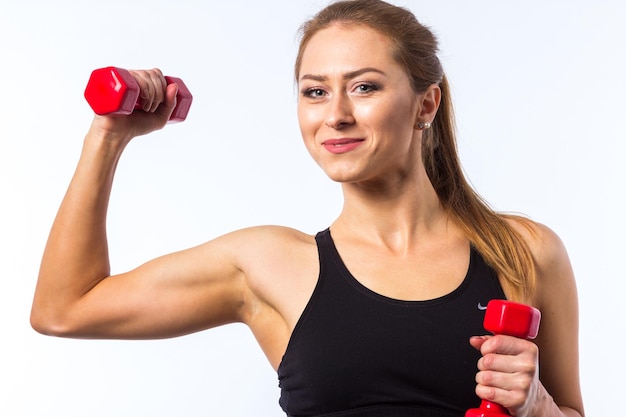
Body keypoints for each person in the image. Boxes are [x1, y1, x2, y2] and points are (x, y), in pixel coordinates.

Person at [31, 0, 584, 416]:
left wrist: (538, 407)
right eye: (314, 92)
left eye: (364, 87)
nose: (335, 115)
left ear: (426, 103)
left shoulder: (522, 252)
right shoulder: (271, 263)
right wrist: (108, 137)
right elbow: (64, 309)